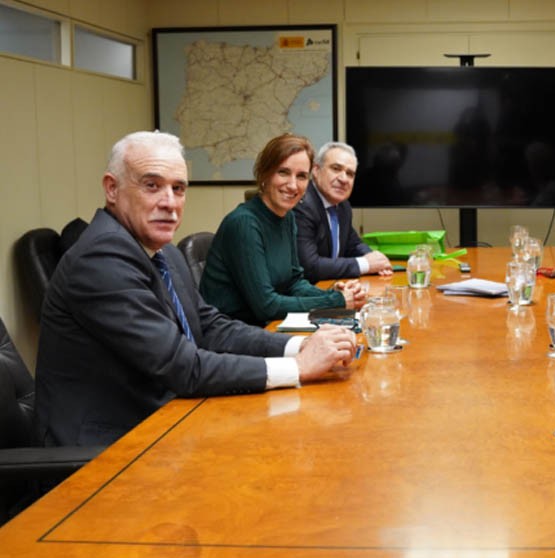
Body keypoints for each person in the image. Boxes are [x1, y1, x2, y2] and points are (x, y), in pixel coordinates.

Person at [36, 131, 358, 447]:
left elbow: (210, 326)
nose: (170, 203)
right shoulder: (102, 258)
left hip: (170, 418)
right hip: (109, 447)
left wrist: (298, 347)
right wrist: (298, 367)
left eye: (178, 189)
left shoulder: (163, 251)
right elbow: (182, 366)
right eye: (152, 186)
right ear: (112, 188)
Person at [200, 134, 366, 326]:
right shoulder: (244, 223)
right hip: (231, 334)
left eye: (301, 176)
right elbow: (266, 306)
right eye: (283, 172)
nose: (293, 185)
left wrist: (336, 294)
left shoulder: (287, 218)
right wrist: (336, 301)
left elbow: (294, 283)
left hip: (268, 325)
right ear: (265, 174)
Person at [295, 141, 393, 281]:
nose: (343, 179)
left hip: (332, 286)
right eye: (336, 168)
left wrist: (375, 259)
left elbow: (353, 244)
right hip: (306, 295)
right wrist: (365, 264)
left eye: (350, 174)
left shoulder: (343, 206)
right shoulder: (302, 205)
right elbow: (309, 267)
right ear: (316, 170)